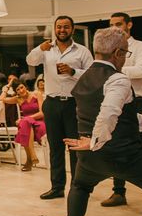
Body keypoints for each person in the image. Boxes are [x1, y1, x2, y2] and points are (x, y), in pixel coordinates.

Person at [61, 27, 142, 216]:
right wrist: (94, 141)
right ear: (118, 53)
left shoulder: (84, 76)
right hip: (124, 156)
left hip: (91, 159)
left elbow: (126, 116)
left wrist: (91, 145)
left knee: (79, 186)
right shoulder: (118, 79)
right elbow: (108, 113)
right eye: (126, 52)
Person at [26, 16, 93, 200]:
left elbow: (92, 75)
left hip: (74, 103)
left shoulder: (82, 51)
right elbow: (31, 61)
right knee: (55, 148)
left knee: (74, 147)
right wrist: (41, 48)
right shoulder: (47, 49)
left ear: (72, 29)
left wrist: (73, 72)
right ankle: (57, 188)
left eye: (66, 27)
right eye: (59, 27)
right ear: (54, 29)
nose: (62, 30)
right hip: (52, 103)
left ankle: (77, 187)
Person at [101, 12, 142, 207]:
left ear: (129, 25)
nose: (115, 28)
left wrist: (114, 70)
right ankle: (118, 192)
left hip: (140, 101)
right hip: (118, 103)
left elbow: (141, 71)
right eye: (112, 25)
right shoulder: (109, 49)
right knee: (117, 146)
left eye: (119, 24)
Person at [0, 81, 45, 171]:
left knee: (24, 124)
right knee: (25, 124)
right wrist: (8, 86)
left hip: (39, 123)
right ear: (16, 92)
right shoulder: (18, 99)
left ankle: (29, 159)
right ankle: (32, 156)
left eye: (21, 87)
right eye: (18, 89)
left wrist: (25, 119)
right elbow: (2, 98)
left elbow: (42, 113)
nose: (20, 90)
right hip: (27, 125)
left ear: (25, 87)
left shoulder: (37, 94)